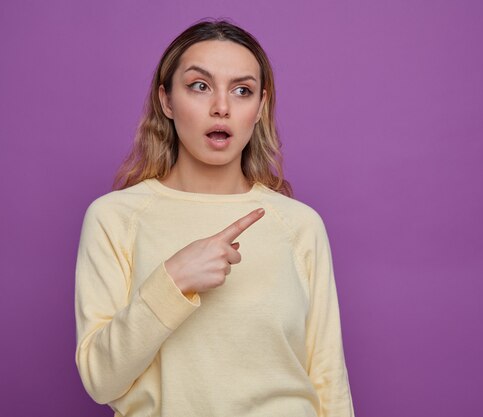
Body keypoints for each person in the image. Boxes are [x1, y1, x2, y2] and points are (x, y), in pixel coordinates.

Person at [74, 19, 355, 417]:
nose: (221, 107)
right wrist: (172, 280)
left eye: (242, 91)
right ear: (166, 100)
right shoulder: (113, 218)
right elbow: (101, 380)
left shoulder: (300, 225)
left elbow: (329, 379)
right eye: (200, 86)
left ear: (260, 108)